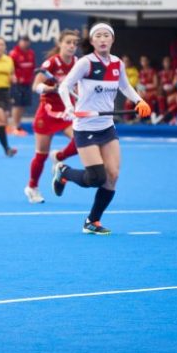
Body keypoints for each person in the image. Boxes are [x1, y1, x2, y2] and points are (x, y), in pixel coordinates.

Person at [52, 23, 151, 235]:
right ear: (93, 41)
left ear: (112, 40)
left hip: (106, 126)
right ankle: (64, 172)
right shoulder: (86, 63)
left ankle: (92, 220)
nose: (103, 39)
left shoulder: (117, 63)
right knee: (96, 178)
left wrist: (139, 101)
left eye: (107, 35)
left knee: (112, 175)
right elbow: (64, 86)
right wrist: (69, 107)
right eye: (99, 36)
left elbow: (125, 86)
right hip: (85, 127)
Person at [24, 29, 80, 204]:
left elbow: (79, 85)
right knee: (41, 155)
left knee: (81, 139)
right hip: (48, 112)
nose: (72, 46)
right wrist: (51, 88)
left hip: (67, 110)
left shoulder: (78, 63)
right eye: (68, 42)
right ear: (60, 44)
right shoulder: (51, 63)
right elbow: (36, 86)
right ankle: (32, 188)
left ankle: (59, 157)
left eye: (75, 43)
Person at [9, 35, 35, 136]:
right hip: (17, 84)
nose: (25, 43)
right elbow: (10, 68)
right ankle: (15, 126)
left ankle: (18, 124)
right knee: (17, 105)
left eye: (27, 41)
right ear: (19, 42)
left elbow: (32, 67)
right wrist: (13, 77)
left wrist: (32, 80)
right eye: (23, 41)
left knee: (23, 105)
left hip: (27, 83)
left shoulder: (31, 53)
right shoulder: (14, 54)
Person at [125, 55, 158, 122]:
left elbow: (155, 84)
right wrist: (139, 91)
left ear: (148, 61)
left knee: (145, 97)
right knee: (129, 99)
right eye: (142, 61)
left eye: (145, 60)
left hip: (152, 91)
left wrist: (145, 88)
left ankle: (149, 118)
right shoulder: (141, 72)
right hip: (142, 92)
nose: (143, 62)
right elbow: (138, 84)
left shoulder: (153, 71)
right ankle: (128, 119)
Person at [156, 56, 177, 122]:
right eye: (165, 62)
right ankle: (162, 116)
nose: (167, 63)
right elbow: (158, 84)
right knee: (159, 96)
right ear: (163, 63)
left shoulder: (175, 72)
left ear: (170, 63)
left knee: (170, 99)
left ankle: (173, 117)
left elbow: (175, 83)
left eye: (168, 61)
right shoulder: (160, 73)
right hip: (163, 91)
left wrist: (171, 88)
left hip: (173, 91)